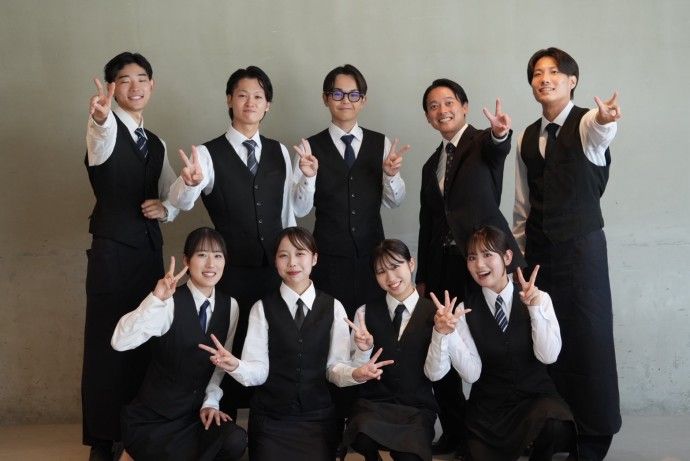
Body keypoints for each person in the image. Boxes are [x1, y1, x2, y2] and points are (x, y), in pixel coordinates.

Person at [168, 66, 316, 412]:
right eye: (242, 95)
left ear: (268, 105)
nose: (251, 102)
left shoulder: (281, 152)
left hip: (274, 270)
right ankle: (222, 415)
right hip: (229, 271)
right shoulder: (207, 153)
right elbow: (181, 202)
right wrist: (188, 182)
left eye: (259, 96)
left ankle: (269, 417)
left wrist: (308, 179)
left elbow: (295, 210)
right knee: (229, 341)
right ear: (229, 100)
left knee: (273, 341)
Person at [200, 226, 392, 461]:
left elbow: (334, 369)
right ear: (275, 261)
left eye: (300, 253)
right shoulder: (261, 308)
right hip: (271, 419)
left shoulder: (334, 308)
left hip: (317, 418)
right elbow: (259, 372)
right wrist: (235, 366)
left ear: (314, 258)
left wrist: (357, 373)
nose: (292, 262)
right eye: (283, 255)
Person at [513, 47, 622, 459]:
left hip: (582, 252)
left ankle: (594, 438)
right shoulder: (525, 137)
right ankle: (555, 431)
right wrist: (519, 257)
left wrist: (606, 120)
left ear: (572, 81)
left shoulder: (587, 123)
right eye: (537, 73)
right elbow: (522, 205)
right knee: (545, 341)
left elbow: (599, 132)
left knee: (588, 341)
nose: (545, 78)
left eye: (555, 72)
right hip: (540, 255)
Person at [416, 78, 525, 459]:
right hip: (443, 267)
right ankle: (456, 431)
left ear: (464, 107)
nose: (442, 110)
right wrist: (422, 276)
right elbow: (427, 222)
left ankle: (495, 432)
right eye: (433, 106)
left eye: (449, 102)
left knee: (494, 344)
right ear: (428, 117)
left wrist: (500, 134)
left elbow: (499, 148)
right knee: (443, 342)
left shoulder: (482, 142)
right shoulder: (430, 164)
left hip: (484, 263)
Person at [83, 51, 179, 460]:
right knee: (107, 344)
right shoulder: (102, 128)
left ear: (152, 85)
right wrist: (100, 118)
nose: (135, 86)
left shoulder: (156, 142)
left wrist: (167, 208)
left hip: (148, 254)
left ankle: (137, 434)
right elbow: (102, 140)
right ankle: (103, 440)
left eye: (142, 78)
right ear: (111, 88)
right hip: (111, 253)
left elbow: (171, 191)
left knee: (146, 339)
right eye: (124, 80)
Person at [428, 225, 576, 460]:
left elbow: (548, 356)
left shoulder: (539, 298)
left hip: (535, 398)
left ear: (507, 257)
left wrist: (535, 309)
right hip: (489, 407)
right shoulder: (463, 311)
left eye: (487, 254)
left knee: (556, 425)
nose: (479, 264)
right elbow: (471, 375)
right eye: (472, 257)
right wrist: (448, 333)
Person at [112, 227, 247, 461]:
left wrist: (211, 402)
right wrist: (155, 299)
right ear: (186, 260)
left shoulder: (230, 306)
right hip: (156, 416)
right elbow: (120, 342)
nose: (210, 264)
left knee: (235, 440)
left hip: (195, 415)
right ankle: (130, 450)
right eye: (201, 255)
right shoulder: (168, 302)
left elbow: (220, 366)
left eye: (218, 256)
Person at [293, 63, 410, 317]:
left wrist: (391, 176)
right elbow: (299, 209)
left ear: (363, 100)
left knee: (373, 325)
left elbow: (395, 202)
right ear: (326, 98)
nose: (345, 100)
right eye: (337, 93)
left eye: (353, 94)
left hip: (374, 259)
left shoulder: (381, 143)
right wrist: (309, 178)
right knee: (332, 324)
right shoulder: (309, 148)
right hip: (328, 258)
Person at [343, 239, 442, 461]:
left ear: (411, 264)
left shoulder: (437, 314)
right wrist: (364, 351)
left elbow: (437, 372)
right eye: (381, 272)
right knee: (361, 437)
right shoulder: (364, 313)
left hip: (416, 408)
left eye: (396, 266)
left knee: (409, 456)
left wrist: (441, 334)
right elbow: (353, 370)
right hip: (374, 404)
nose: (390, 277)